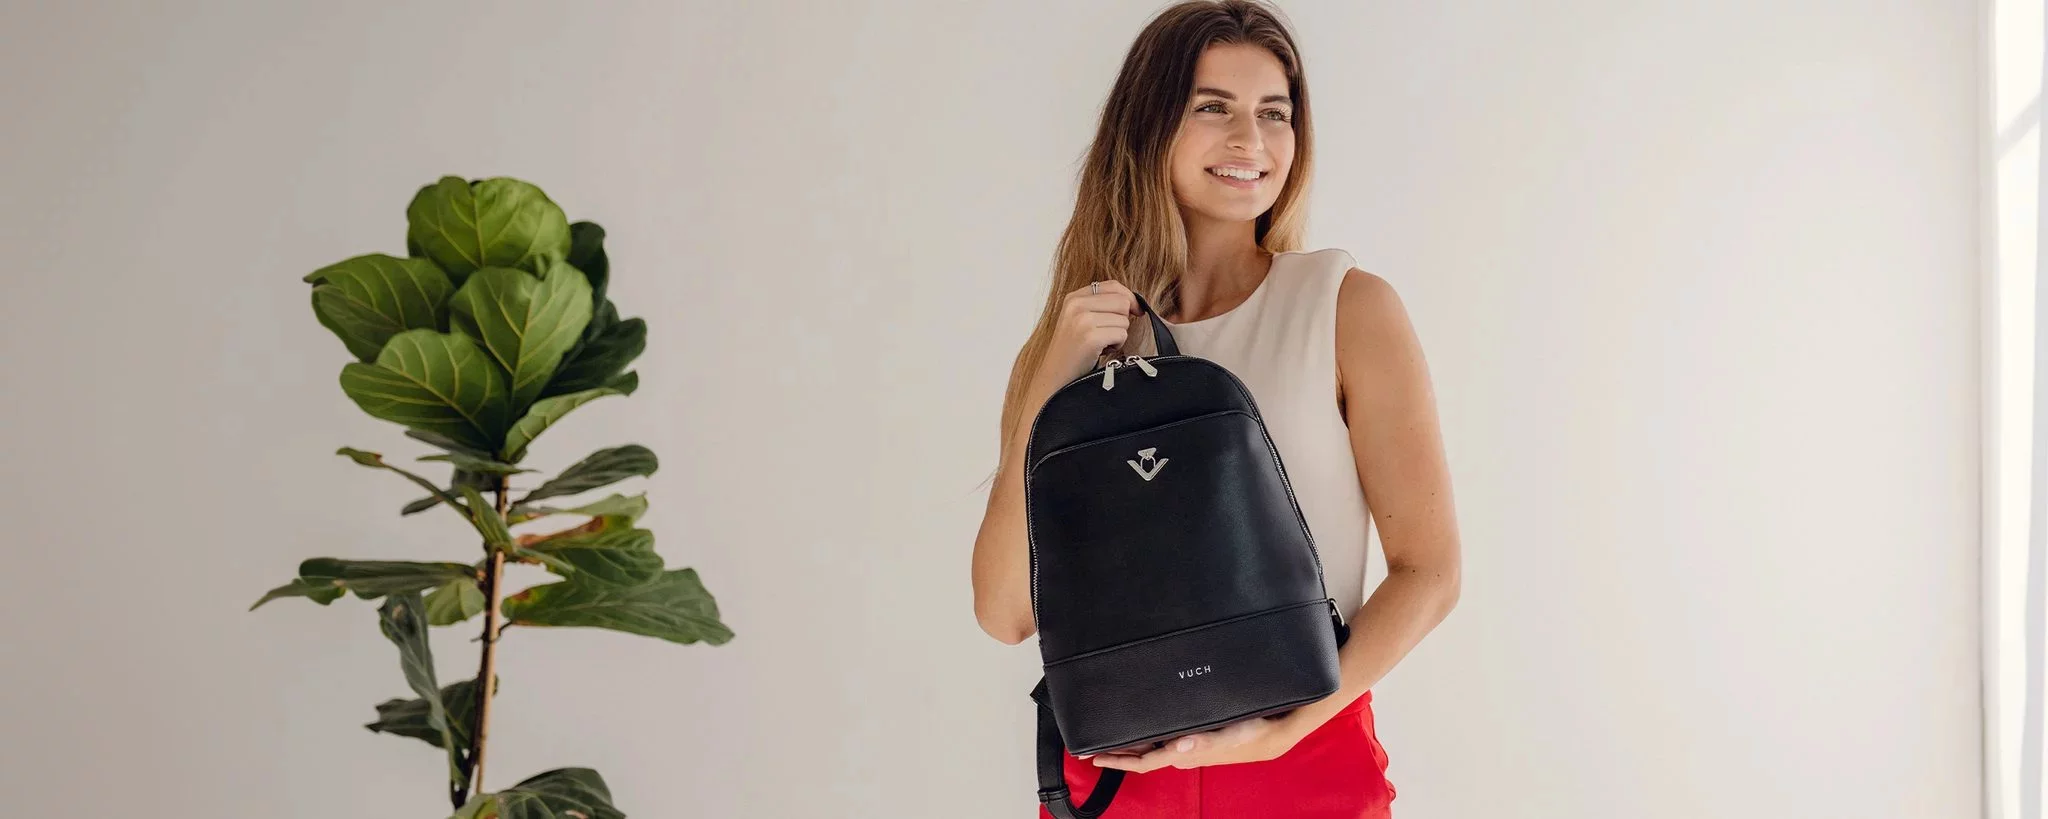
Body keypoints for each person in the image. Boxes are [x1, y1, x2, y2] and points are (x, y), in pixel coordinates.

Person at [970, 1, 1463, 816]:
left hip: (1307, 759)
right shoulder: (1080, 336)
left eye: (1275, 113)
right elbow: (1006, 613)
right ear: (1149, 125)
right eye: (1212, 107)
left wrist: (1284, 732)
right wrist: (1048, 390)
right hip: (1119, 778)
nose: (1250, 139)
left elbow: (1430, 572)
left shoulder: (1343, 308)